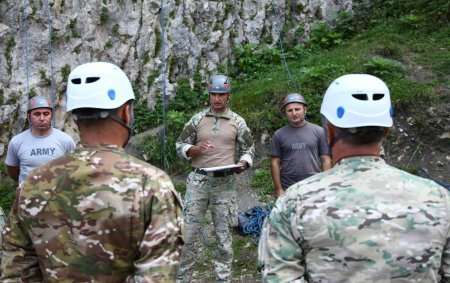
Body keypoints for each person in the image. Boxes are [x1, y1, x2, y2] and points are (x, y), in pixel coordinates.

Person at [1, 62, 185, 282]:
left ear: (74, 116)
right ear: (126, 113)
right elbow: (157, 277)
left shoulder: (33, 183)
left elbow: (16, 272)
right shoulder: (151, 184)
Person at [258, 74, 450, 282]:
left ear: (328, 133)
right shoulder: (439, 198)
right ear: (386, 130)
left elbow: (279, 277)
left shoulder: (293, 203)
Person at [176, 74, 255, 282]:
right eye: (214, 94)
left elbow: (249, 148)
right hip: (198, 182)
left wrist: (243, 163)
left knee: (223, 236)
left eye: (221, 94)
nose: (217, 98)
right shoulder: (197, 119)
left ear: (228, 95)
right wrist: (195, 149)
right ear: (209, 95)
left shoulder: (237, 121)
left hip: (225, 184)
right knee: (189, 234)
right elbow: (179, 145)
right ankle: (183, 278)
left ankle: (223, 279)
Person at [270, 93, 331, 197]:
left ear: (305, 109)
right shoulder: (278, 135)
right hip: (288, 187)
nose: (294, 113)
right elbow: (275, 162)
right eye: (290, 110)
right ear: (285, 112)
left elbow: (325, 159)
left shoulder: (319, 131)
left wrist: (326, 184)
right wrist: (279, 189)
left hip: (314, 185)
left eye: (297, 109)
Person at [5, 96, 76, 185]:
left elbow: (73, 168)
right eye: (37, 114)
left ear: (52, 116)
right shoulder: (16, 142)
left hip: (57, 196)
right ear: (29, 117)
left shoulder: (66, 140)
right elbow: (13, 171)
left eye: (46, 114)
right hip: (27, 197)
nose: (42, 118)